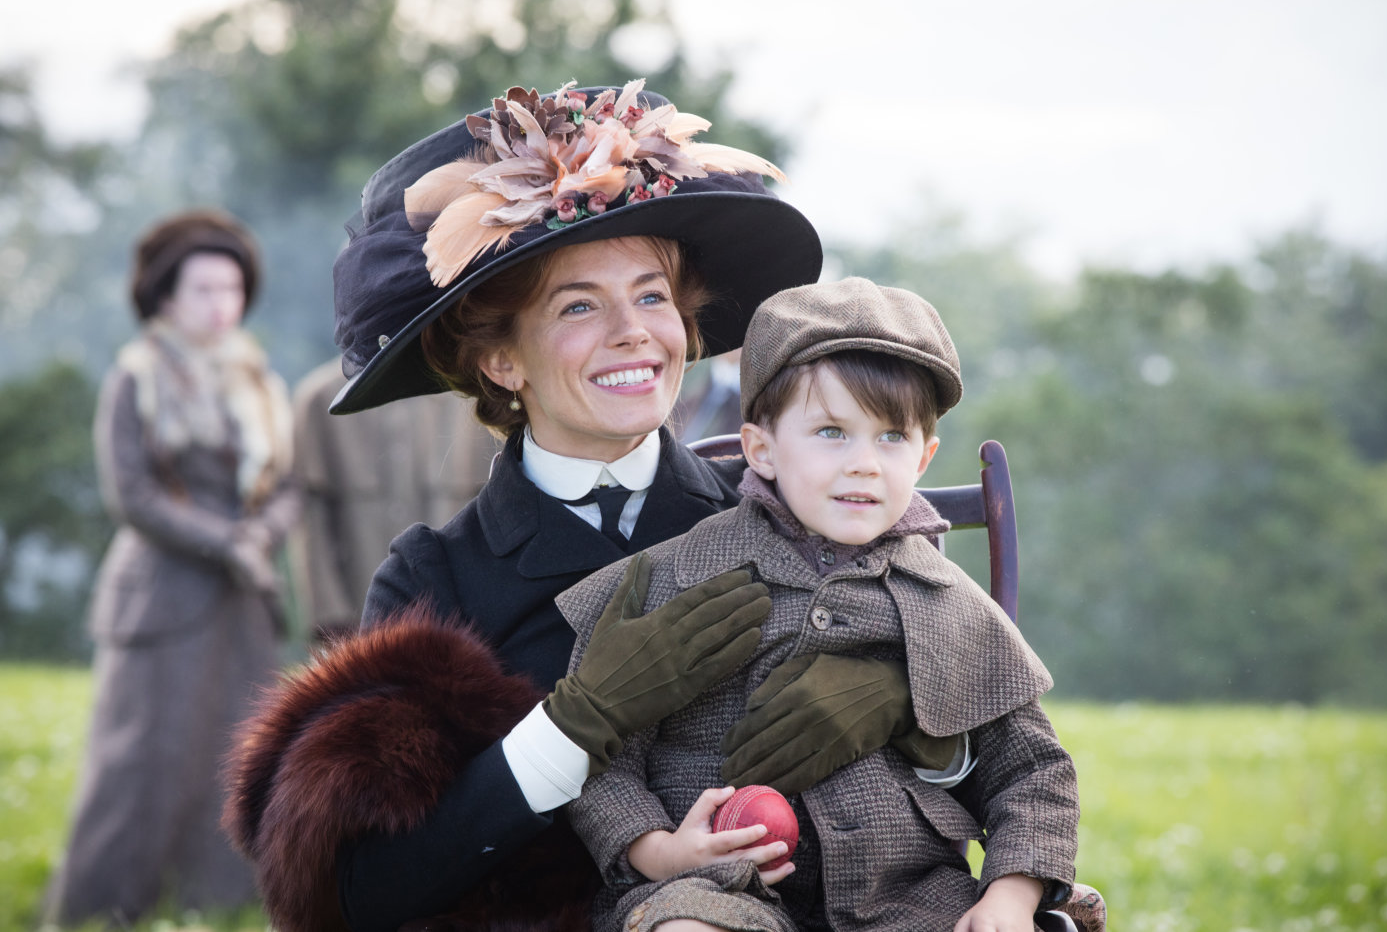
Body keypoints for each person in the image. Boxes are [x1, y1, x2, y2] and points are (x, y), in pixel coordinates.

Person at [224, 81, 957, 932]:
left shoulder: (793, 510)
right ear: (501, 360)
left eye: (651, 295)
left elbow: (990, 753)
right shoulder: (438, 576)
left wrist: (915, 709)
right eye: (579, 304)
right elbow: (357, 896)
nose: (633, 331)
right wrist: (572, 727)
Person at [560, 277, 1080, 932]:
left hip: (904, 898)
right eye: (832, 431)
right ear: (761, 449)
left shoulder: (948, 602)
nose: (864, 463)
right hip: (712, 887)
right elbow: (599, 754)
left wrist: (1010, 893)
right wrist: (659, 851)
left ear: (924, 456)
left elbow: (1031, 770)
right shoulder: (678, 574)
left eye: (891, 437)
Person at [46, 209, 299, 927]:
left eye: (232, 289)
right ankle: (101, 906)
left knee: (237, 754)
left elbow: (289, 486)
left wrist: (260, 535)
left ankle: (217, 904)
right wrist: (228, 540)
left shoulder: (258, 379)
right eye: (204, 290)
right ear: (165, 297)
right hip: (161, 595)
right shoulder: (137, 377)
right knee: (138, 761)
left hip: (242, 599)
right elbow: (133, 495)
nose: (222, 305)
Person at [288, 357, 497, 644]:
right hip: (359, 624)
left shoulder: (475, 398)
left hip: (461, 624)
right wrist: (330, 617)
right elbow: (312, 522)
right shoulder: (320, 400)